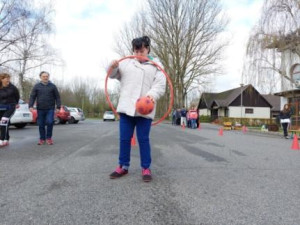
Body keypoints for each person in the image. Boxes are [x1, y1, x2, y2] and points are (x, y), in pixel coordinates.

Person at [108, 36, 166, 182]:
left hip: (145, 109)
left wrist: (151, 96)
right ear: (133, 50)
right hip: (126, 108)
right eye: (136, 50)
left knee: (143, 139)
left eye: (142, 50)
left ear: (148, 49)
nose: (139, 53)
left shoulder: (157, 66)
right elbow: (112, 75)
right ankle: (123, 166)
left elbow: (160, 85)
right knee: (124, 139)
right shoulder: (126, 62)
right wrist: (113, 66)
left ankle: (146, 168)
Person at [29, 71, 61, 145]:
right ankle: (42, 139)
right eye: (44, 76)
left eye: (47, 76)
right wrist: (30, 106)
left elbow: (57, 97)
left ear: (48, 77)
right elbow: (32, 96)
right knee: (41, 124)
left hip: (50, 108)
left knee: (50, 122)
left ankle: (49, 138)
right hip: (40, 108)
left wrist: (58, 107)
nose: (45, 78)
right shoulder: (36, 86)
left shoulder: (53, 86)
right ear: (40, 77)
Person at [0, 72, 20, 147]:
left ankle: (1, 140)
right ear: (2, 79)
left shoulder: (13, 87)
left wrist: (16, 103)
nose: (8, 80)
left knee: (3, 121)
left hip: (10, 107)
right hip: (1, 107)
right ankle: (6, 139)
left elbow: (17, 96)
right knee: (4, 124)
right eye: (6, 78)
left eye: (9, 78)